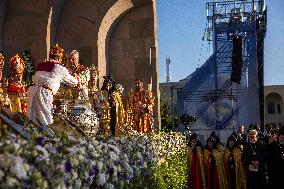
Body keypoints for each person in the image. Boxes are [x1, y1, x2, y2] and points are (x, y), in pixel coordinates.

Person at [27, 44, 78, 126]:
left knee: (32, 118)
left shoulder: (41, 65)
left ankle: (31, 136)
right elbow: (74, 83)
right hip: (44, 93)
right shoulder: (59, 68)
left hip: (32, 91)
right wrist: (75, 76)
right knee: (46, 120)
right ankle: (46, 137)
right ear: (59, 58)